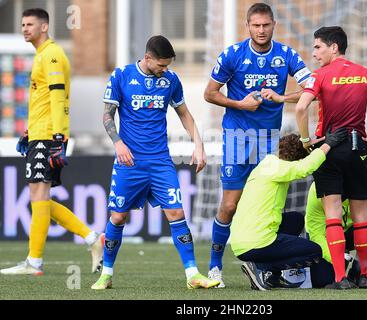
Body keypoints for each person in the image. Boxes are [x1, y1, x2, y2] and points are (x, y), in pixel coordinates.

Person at [91, 35, 219, 290]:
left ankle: (192, 275)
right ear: (147, 57)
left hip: (160, 160)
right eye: (161, 65)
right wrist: (117, 142)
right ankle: (106, 273)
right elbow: (107, 115)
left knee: (177, 213)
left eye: (167, 66)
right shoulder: (121, 76)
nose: (165, 70)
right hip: (130, 163)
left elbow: (184, 114)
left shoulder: (170, 80)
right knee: (118, 218)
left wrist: (199, 145)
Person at [204, 2, 312, 287]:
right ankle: (215, 267)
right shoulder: (233, 55)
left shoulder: (286, 54)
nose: (261, 30)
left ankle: (268, 268)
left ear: (273, 25)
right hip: (237, 139)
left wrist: (281, 98)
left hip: (269, 144)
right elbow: (210, 93)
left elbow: (313, 89)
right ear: (248, 26)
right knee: (229, 205)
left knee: (270, 208)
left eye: (266, 25)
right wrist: (239, 104)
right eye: (256, 25)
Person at [0, 8, 104, 276]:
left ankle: (35, 261)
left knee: (39, 196)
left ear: (44, 27)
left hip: (48, 136)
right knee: (39, 198)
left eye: (30, 24)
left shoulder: (52, 55)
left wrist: (58, 136)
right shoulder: (42, 55)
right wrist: (29, 132)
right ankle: (92, 238)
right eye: (22, 24)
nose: (24, 28)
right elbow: (44, 101)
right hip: (40, 134)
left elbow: (58, 98)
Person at [295, 26, 367, 288]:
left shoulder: (319, 76)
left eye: (318, 46)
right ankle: (365, 276)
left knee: (332, 216)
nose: (314, 52)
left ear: (334, 47)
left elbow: (300, 107)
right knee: (362, 217)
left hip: (328, 150)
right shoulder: (365, 74)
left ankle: (340, 278)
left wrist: (307, 141)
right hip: (357, 150)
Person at [229, 128, 349, 290]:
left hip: (241, 240)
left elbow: (299, 161)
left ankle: (272, 276)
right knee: (314, 251)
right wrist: (327, 145)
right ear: (296, 159)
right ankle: (262, 268)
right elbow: (305, 167)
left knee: (295, 219)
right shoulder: (280, 168)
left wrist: (311, 143)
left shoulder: (267, 163)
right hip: (257, 243)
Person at [305, 179, 367, 288]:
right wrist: (336, 256)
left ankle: (358, 273)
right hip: (325, 240)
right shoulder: (318, 189)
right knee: (321, 281)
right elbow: (316, 234)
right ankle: (341, 268)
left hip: (351, 234)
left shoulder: (366, 184)